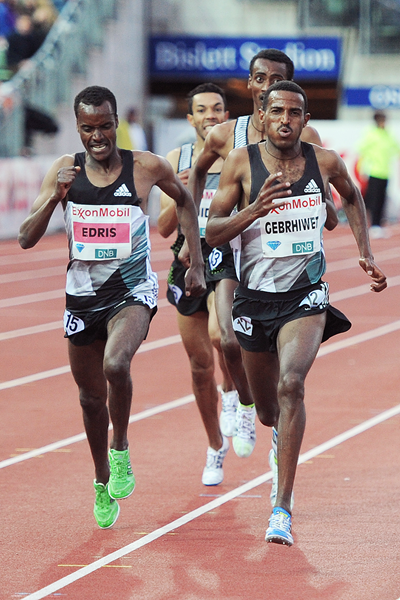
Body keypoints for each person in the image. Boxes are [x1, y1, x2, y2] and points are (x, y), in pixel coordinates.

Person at [206, 80, 387, 546]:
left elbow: (352, 196)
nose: (286, 120)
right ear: (262, 117)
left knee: (292, 384)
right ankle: (273, 430)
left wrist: (364, 251)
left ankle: (281, 507)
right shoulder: (240, 164)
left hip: (305, 294)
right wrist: (254, 211)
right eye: (277, 111)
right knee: (269, 410)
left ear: (306, 121)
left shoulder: (322, 162)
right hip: (254, 299)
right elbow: (212, 232)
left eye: (295, 113)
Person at [18, 85, 206, 529]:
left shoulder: (144, 167)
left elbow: (185, 198)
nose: (98, 136)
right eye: (88, 128)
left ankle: (119, 448)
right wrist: (54, 198)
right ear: (78, 128)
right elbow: (26, 237)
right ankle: (102, 480)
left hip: (131, 291)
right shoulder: (64, 171)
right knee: (88, 399)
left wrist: (194, 257)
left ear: (116, 121)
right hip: (82, 297)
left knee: (116, 363)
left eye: (105, 126)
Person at [188, 48, 338, 465]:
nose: (268, 87)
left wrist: (323, 207)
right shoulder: (226, 136)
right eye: (261, 79)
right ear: (250, 84)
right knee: (223, 337)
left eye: (277, 80)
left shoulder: (307, 138)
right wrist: (193, 230)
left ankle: (268, 413)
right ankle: (243, 402)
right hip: (234, 244)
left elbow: (325, 197)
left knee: (278, 363)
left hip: (280, 257)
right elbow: (199, 173)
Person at [158, 82, 244, 486]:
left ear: (226, 116)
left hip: (224, 259)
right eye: (202, 110)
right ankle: (214, 447)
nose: (211, 115)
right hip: (185, 263)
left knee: (219, 333)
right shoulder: (176, 159)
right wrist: (183, 191)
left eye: (217, 109)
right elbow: (162, 229)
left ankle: (232, 391)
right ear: (190, 118)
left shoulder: (238, 157)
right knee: (197, 366)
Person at [358, 110, 400, 238]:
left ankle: (379, 224)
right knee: (374, 200)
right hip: (374, 171)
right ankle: (373, 225)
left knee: (382, 199)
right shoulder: (372, 135)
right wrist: (363, 168)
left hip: (385, 172)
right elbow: (361, 150)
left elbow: (396, 149)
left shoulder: (387, 135)